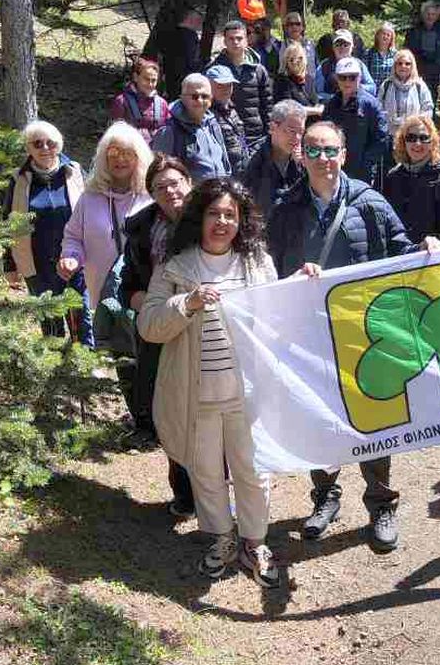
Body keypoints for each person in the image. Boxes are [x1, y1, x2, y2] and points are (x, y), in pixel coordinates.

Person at [267, 121, 440, 552]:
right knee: (318, 415)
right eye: (314, 150)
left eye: (330, 150)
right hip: (310, 334)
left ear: (344, 154)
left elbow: (399, 249)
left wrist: (424, 249)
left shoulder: (369, 202)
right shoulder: (286, 207)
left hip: (367, 331)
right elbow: (268, 267)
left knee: (373, 417)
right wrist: (294, 277)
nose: (323, 159)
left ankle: (381, 504)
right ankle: (325, 497)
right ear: (301, 155)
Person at [138, 177, 280, 588]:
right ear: (199, 218)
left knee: (253, 470)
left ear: (242, 221)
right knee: (204, 473)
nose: (222, 222)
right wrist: (187, 303)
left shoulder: (258, 264)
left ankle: (254, 542)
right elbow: (149, 325)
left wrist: (305, 282)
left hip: (247, 394)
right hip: (195, 394)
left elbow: (282, 315)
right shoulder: (175, 267)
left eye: (230, 215)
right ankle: (221, 538)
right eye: (214, 214)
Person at [120, 155, 196, 510]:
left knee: (210, 412)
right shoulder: (141, 229)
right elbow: (127, 285)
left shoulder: (213, 217)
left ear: (188, 181)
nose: (169, 191)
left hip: (208, 330)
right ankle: (184, 492)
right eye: (159, 187)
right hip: (163, 334)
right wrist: (150, 308)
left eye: (174, 182)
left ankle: (214, 489)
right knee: (171, 413)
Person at [58, 122, 153, 338]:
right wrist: (71, 257)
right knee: (117, 354)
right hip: (103, 291)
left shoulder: (151, 195)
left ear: (139, 157)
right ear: (104, 157)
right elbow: (73, 237)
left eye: (128, 153)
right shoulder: (89, 198)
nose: (121, 159)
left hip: (143, 292)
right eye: (114, 152)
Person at [1, 121, 92, 346]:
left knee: (81, 315)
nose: (44, 148)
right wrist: (10, 266)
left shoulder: (75, 172)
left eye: (50, 143)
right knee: (49, 319)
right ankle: (55, 367)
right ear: (28, 148)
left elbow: (93, 211)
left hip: (74, 258)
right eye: (37, 143)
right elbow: (7, 224)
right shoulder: (18, 179)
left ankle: (85, 367)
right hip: (36, 260)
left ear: (59, 145)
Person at [382, 114, 440, 244]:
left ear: (432, 142)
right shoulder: (393, 177)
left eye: (424, 138)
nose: (417, 144)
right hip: (398, 255)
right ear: (403, 141)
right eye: (411, 138)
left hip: (430, 257)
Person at [321, 57, 389, 187]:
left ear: (360, 78)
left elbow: (382, 137)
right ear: (336, 78)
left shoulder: (372, 104)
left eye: (352, 77)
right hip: (334, 166)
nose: (347, 81)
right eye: (342, 77)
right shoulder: (331, 104)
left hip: (361, 172)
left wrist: (367, 162)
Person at [151, 73, 233, 181]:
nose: (200, 100)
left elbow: (224, 162)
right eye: (194, 96)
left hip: (219, 192)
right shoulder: (168, 131)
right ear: (182, 98)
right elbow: (160, 173)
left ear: (211, 99)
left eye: (205, 96)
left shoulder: (213, 124)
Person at [208, 20, 272, 153]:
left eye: (239, 38)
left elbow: (268, 106)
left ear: (247, 40)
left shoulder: (259, 70)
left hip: (257, 137)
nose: (235, 42)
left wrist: (269, 134)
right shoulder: (213, 70)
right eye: (231, 39)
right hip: (226, 137)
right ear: (224, 41)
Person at [240, 100, 306, 213]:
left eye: (301, 132)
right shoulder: (253, 162)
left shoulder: (305, 159)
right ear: (272, 127)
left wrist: (302, 167)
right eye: (291, 131)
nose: (297, 138)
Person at [143, 4, 202, 100]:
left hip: (166, 76)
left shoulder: (166, 32)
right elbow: (192, 60)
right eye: (198, 21)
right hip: (185, 78)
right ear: (190, 20)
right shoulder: (191, 37)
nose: (198, 25)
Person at [109, 58, 170, 143]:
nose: (150, 84)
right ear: (136, 77)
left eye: (153, 80)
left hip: (158, 153)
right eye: (146, 79)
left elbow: (169, 133)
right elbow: (114, 135)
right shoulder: (122, 102)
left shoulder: (163, 104)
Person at [378, 49, 435, 137]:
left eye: (407, 64)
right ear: (394, 66)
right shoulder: (386, 85)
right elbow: (379, 108)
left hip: (413, 135)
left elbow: (428, 109)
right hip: (389, 134)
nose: (403, 66)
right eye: (399, 63)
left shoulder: (420, 85)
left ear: (412, 66)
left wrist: (416, 122)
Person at [204, 66, 249, 170]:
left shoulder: (232, 109)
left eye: (229, 85)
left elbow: (242, 139)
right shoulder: (206, 114)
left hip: (242, 172)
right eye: (220, 86)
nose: (226, 90)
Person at [405, 0, 440, 100]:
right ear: (423, 14)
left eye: (433, 14)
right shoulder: (413, 31)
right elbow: (407, 54)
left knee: (431, 102)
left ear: (437, 15)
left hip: (435, 75)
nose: (430, 17)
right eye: (428, 14)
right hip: (417, 72)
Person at [315, 30, 375, 103]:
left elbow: (372, 88)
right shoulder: (324, 66)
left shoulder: (359, 64)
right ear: (333, 47)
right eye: (338, 45)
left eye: (346, 45)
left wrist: (357, 87)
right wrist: (338, 97)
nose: (342, 47)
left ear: (352, 47)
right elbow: (318, 93)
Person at [273, 42, 323, 118]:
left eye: (300, 58)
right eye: (291, 59)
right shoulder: (281, 81)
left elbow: (315, 102)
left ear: (305, 59)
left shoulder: (309, 79)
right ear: (286, 62)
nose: (295, 62)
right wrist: (316, 111)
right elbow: (288, 109)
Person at [279, 11, 319, 83]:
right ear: (286, 28)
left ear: (302, 27)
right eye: (291, 24)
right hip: (290, 85)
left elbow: (317, 65)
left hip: (311, 85)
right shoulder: (282, 46)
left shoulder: (311, 44)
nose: (294, 27)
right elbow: (281, 70)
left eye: (298, 24)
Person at [365, 21, 398, 89]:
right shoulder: (369, 53)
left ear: (391, 38)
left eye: (388, 35)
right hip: (373, 93)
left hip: (389, 93)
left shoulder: (396, 55)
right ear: (377, 35)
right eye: (383, 34)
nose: (385, 37)